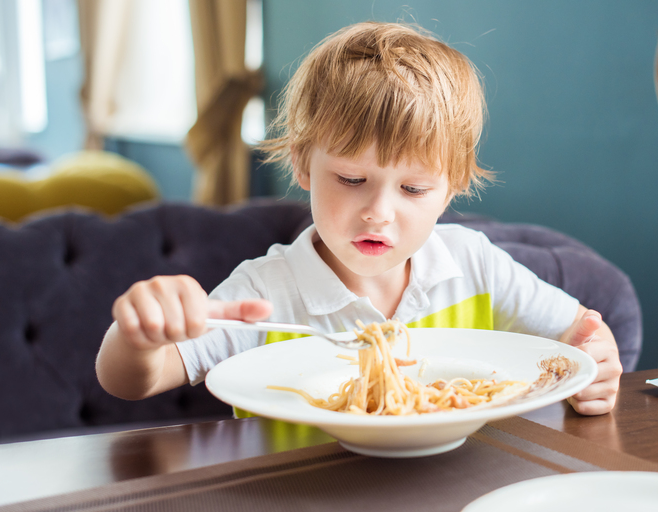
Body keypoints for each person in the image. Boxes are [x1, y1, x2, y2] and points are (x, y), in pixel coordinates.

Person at [96, 21, 622, 416]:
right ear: (303, 164)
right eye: (351, 180)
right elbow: (133, 380)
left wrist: (598, 364)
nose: (378, 212)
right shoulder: (265, 292)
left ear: (451, 189)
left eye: (414, 188)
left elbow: (581, 332)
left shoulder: (474, 264)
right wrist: (138, 337)